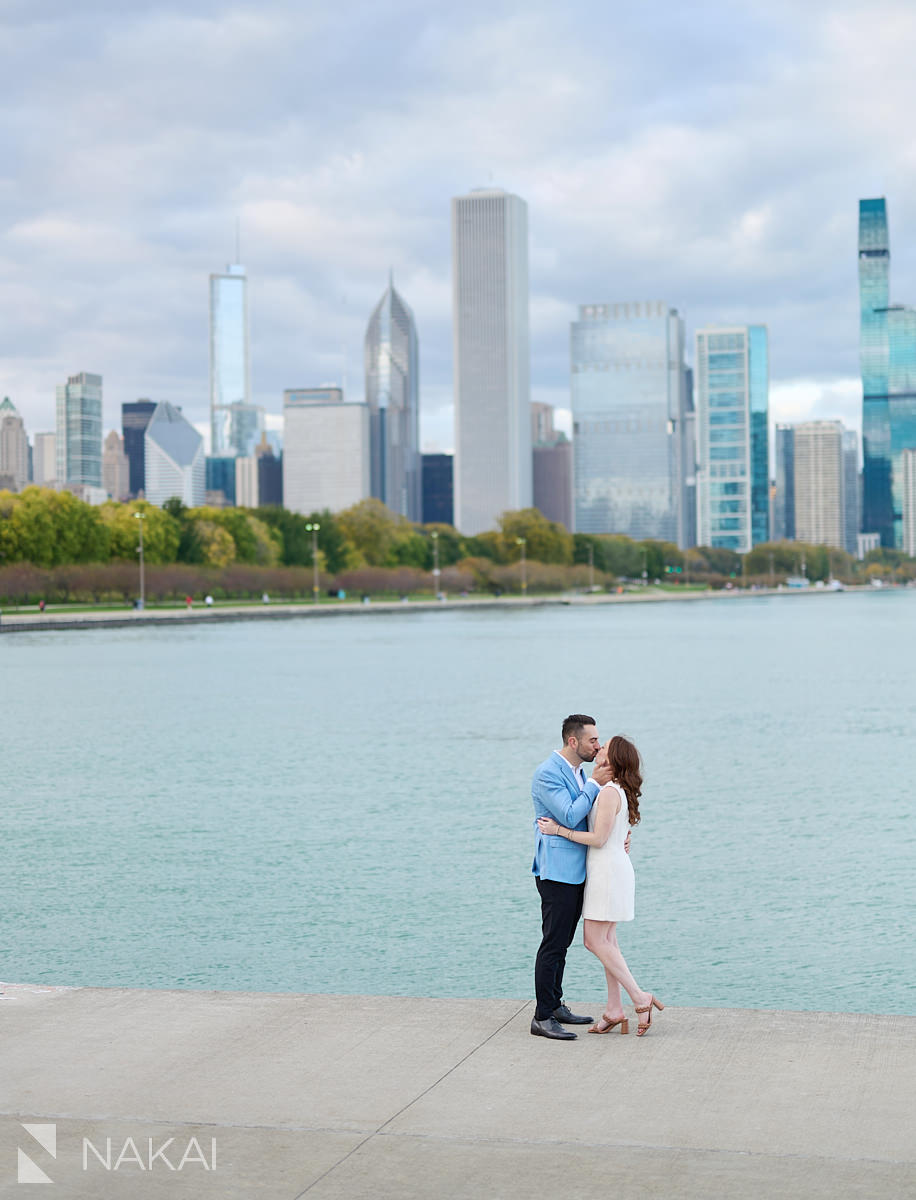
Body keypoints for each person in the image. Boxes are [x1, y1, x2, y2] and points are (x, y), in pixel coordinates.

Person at [538, 735, 663, 1037]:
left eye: (603, 746)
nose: (598, 748)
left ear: (612, 758)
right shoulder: (616, 790)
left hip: (607, 871)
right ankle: (614, 1009)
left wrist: (558, 830)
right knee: (608, 942)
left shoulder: (608, 792)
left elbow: (597, 839)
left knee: (593, 941)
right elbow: (614, 833)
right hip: (612, 868)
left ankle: (639, 996)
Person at [529, 714, 614, 1040]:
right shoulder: (547, 774)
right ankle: (541, 1016)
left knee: (563, 942)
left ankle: (556, 1004)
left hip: (578, 870)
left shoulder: (577, 772)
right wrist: (594, 783)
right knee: (553, 942)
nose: (598, 745)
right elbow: (569, 814)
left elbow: (588, 817)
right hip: (557, 872)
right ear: (573, 741)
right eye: (593, 740)